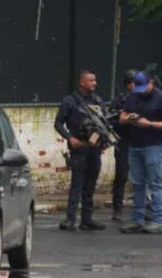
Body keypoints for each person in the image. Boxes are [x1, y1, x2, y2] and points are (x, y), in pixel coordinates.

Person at [119, 71, 162, 234]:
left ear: (151, 83)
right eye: (139, 88)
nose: (142, 91)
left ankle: (157, 221)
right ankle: (137, 219)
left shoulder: (161, 98)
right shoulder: (133, 96)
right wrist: (130, 117)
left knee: (155, 183)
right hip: (135, 145)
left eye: (144, 87)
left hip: (154, 145)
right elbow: (121, 117)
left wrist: (149, 124)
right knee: (137, 184)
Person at [54, 69, 107, 231]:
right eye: (91, 80)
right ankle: (70, 219)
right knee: (77, 183)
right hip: (78, 148)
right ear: (82, 82)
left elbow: (103, 124)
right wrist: (70, 138)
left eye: (95, 80)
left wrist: (103, 141)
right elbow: (58, 123)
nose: (94, 83)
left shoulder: (98, 101)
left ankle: (87, 219)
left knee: (90, 184)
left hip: (94, 148)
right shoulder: (69, 101)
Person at [108, 69, 136, 221]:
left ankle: (142, 208)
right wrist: (122, 120)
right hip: (124, 141)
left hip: (141, 141)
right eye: (132, 83)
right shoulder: (119, 101)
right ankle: (117, 208)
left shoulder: (146, 99)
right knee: (121, 175)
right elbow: (110, 122)